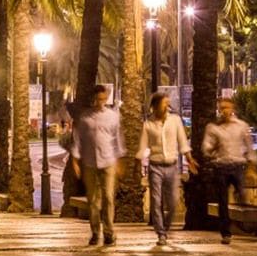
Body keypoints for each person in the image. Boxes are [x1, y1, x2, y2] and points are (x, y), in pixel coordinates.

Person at [136, 93, 199, 246]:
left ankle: (166, 226)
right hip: (155, 166)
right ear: (155, 106)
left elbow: (182, 141)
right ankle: (161, 233)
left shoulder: (175, 121)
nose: (167, 106)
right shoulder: (148, 124)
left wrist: (189, 159)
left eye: (167, 103)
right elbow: (142, 146)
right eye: (164, 103)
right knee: (156, 201)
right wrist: (137, 165)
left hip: (172, 166)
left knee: (173, 202)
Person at [71, 85, 125, 246]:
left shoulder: (113, 116)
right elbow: (77, 140)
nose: (101, 102)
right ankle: (95, 233)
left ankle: (109, 233)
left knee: (108, 197)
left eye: (103, 99)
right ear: (94, 98)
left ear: (106, 98)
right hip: (90, 163)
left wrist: (119, 161)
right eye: (98, 99)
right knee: (93, 201)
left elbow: (118, 140)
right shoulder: (85, 117)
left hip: (108, 162)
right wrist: (75, 162)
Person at [202, 98, 257, 245]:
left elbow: (250, 147)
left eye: (227, 107)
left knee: (242, 193)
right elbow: (206, 148)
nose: (225, 111)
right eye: (222, 108)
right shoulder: (213, 127)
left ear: (232, 108)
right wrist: (212, 148)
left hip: (238, 165)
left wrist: (252, 165)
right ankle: (226, 232)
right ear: (219, 110)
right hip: (221, 166)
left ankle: (245, 220)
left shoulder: (241, 126)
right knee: (222, 201)